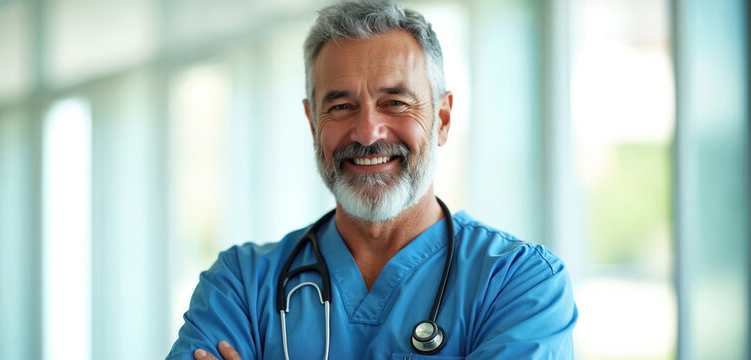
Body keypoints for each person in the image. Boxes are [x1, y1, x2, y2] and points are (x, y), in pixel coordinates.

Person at [166, 1, 578, 359]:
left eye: (394, 102)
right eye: (341, 106)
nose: (367, 133)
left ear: (442, 119)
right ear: (312, 124)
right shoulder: (241, 285)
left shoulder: (519, 283)